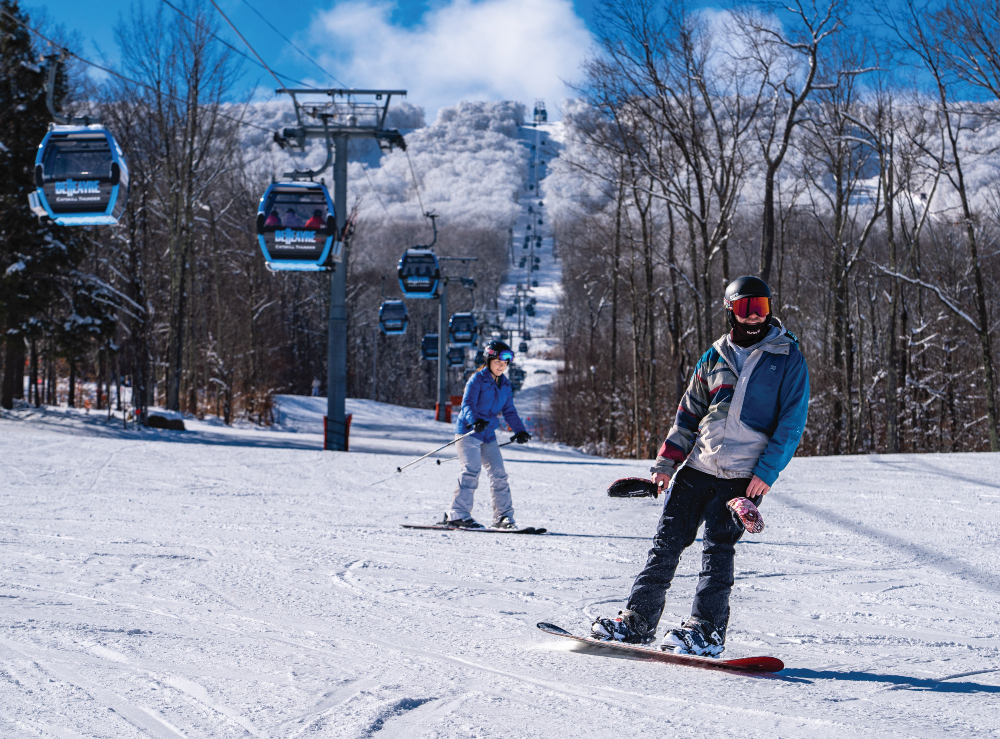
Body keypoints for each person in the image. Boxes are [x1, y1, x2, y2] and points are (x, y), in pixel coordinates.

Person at [591, 276, 809, 657]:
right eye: (746, 308)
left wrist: (766, 473)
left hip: (742, 475)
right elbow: (688, 415)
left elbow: (792, 422)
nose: (755, 316)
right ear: (730, 311)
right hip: (697, 468)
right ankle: (638, 620)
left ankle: (706, 631)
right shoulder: (714, 356)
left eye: (762, 306)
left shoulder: (787, 357)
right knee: (665, 546)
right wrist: (666, 465)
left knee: (718, 551)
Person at [444, 341, 531, 529]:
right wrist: (475, 420)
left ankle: (503, 517)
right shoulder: (477, 379)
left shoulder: (506, 385)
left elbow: (509, 411)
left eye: (505, 363)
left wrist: (520, 430)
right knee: (471, 470)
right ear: (489, 360)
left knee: (499, 474)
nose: (502, 366)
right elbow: (467, 404)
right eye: (498, 361)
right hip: (469, 431)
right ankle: (457, 514)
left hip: (488, 434)